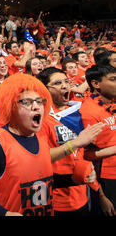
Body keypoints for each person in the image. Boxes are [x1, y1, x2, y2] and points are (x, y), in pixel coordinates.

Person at [0, 73, 55, 215]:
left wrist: (74, 179)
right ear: (11, 106)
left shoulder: (42, 137)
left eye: (39, 101)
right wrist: (4, 213)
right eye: (27, 102)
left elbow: (40, 183)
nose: (36, 107)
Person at [36, 67, 104, 216]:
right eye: (58, 83)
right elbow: (41, 157)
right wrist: (76, 143)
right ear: (44, 89)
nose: (65, 86)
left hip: (82, 193)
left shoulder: (78, 112)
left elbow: (85, 152)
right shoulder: (41, 118)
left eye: (66, 81)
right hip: (56, 198)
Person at [80, 64, 116, 215]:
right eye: (113, 79)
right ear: (96, 84)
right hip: (108, 177)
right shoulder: (88, 111)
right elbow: (85, 155)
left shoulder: (112, 102)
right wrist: (101, 194)